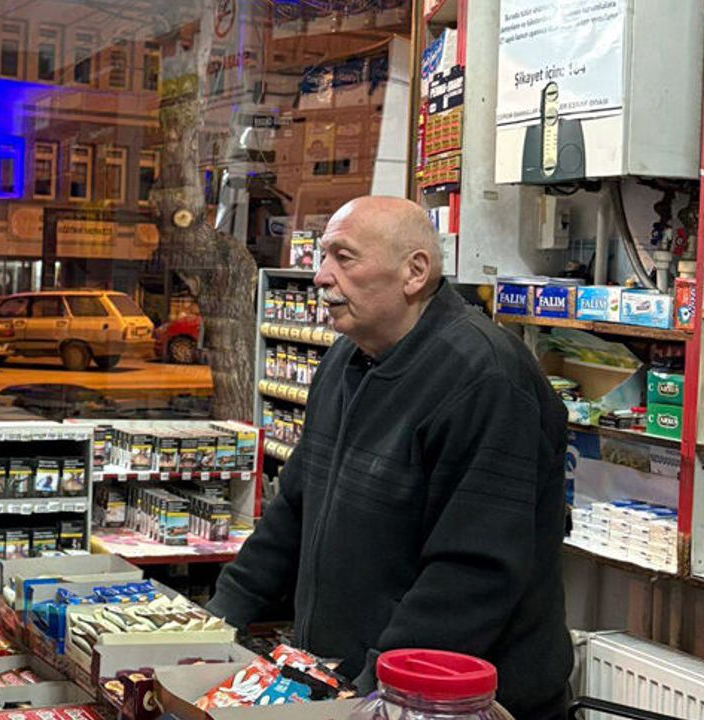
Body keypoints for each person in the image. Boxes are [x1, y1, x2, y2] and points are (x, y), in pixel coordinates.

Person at [207, 196, 572, 718]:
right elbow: (294, 510)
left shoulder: (484, 376)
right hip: (351, 687)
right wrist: (219, 619)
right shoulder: (345, 360)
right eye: (323, 256)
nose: (321, 276)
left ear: (414, 272)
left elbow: (470, 572)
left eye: (343, 257)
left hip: (448, 703)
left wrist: (373, 694)